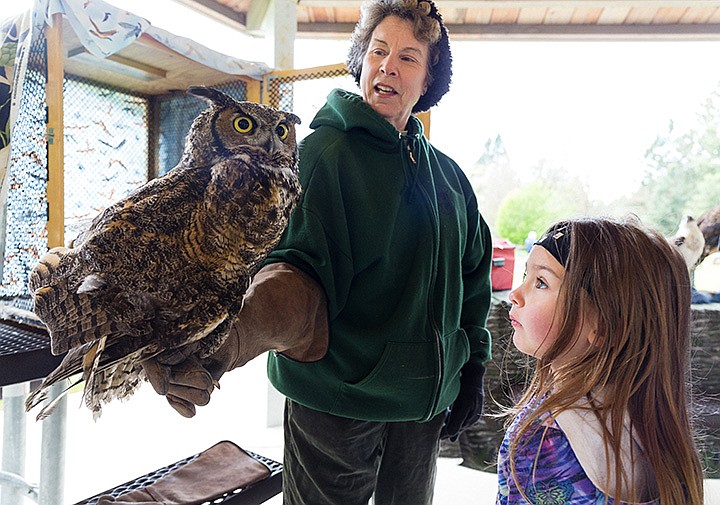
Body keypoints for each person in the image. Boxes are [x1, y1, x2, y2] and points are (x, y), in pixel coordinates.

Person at [142, 0, 493, 503]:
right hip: (338, 402)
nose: (388, 66)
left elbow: (474, 275)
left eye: (409, 57)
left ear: (428, 80)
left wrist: (472, 366)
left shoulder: (450, 176)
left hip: (422, 405)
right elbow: (292, 275)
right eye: (378, 51)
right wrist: (225, 342)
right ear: (361, 61)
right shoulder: (322, 156)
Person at [497, 216, 705, 505]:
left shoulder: (540, 440)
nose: (515, 295)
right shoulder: (656, 423)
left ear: (604, 326)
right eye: (525, 278)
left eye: (541, 282)